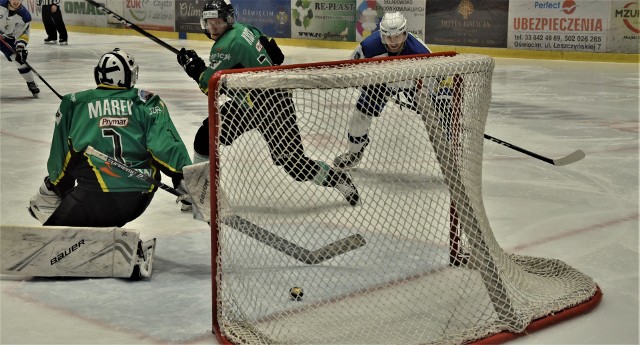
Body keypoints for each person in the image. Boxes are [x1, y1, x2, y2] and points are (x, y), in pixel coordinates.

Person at [176, 0, 359, 206]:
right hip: (247, 104)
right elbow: (276, 56)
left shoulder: (225, 46)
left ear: (228, 19)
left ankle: (339, 179)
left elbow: (211, 86)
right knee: (205, 136)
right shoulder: (245, 28)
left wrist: (193, 67)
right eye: (209, 23)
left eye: (218, 21)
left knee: (295, 166)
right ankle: (198, 192)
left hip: (272, 106)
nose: (213, 27)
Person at [28, 48, 193, 227]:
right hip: (139, 196)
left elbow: (60, 158)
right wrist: (184, 178)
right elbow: (166, 147)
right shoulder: (147, 101)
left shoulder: (74, 104)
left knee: (52, 224)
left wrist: (57, 187)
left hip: (93, 194)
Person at [333, 12, 431, 169]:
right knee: (360, 116)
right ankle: (354, 153)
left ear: (405, 33)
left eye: (398, 37)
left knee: (434, 113)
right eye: (389, 38)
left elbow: (432, 79)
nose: (393, 42)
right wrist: (367, 85)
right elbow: (351, 71)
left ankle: (446, 153)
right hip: (380, 83)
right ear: (381, 35)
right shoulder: (368, 47)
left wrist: (426, 98)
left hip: (410, 82)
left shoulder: (420, 51)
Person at [0, 0, 40, 97]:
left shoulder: (24, 16)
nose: (16, 1)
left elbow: (22, 35)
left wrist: (20, 48)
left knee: (20, 60)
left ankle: (31, 82)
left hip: (8, 39)